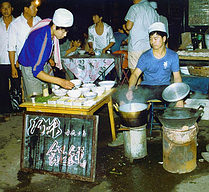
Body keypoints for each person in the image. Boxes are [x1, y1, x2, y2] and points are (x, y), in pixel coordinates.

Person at [108, 22, 183, 147]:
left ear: (164, 39)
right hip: (147, 87)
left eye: (156, 38)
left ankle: (177, 136)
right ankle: (126, 132)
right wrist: (131, 89)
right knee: (124, 99)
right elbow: (135, 75)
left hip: (164, 87)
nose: (152, 42)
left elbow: (177, 77)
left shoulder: (172, 56)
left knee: (178, 104)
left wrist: (179, 97)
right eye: (150, 39)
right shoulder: (145, 56)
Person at [18, 8, 75, 97]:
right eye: (63, 31)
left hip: (39, 62)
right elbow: (36, 72)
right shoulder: (43, 40)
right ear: (54, 26)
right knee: (36, 98)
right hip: (29, 65)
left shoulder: (48, 24)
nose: (65, 35)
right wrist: (61, 81)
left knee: (48, 92)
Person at [8, 0, 42, 99]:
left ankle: (31, 112)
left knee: (37, 90)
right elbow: (11, 47)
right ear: (26, 9)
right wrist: (13, 67)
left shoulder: (38, 20)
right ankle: (34, 112)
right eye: (34, 7)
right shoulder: (15, 24)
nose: (36, 9)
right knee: (34, 92)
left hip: (40, 61)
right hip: (26, 62)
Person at [123, 0, 159, 74]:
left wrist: (125, 27)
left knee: (135, 74)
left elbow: (128, 26)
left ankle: (137, 86)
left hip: (136, 46)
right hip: (149, 47)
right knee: (148, 73)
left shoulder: (134, 8)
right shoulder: (153, 11)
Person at [0, 0, 14, 121]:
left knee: (17, 87)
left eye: (8, 8)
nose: (6, 10)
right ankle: (6, 111)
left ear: (12, 9)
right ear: (0, 10)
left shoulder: (17, 23)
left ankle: (18, 110)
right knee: (3, 87)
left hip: (16, 61)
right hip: (1, 61)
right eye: (3, 8)